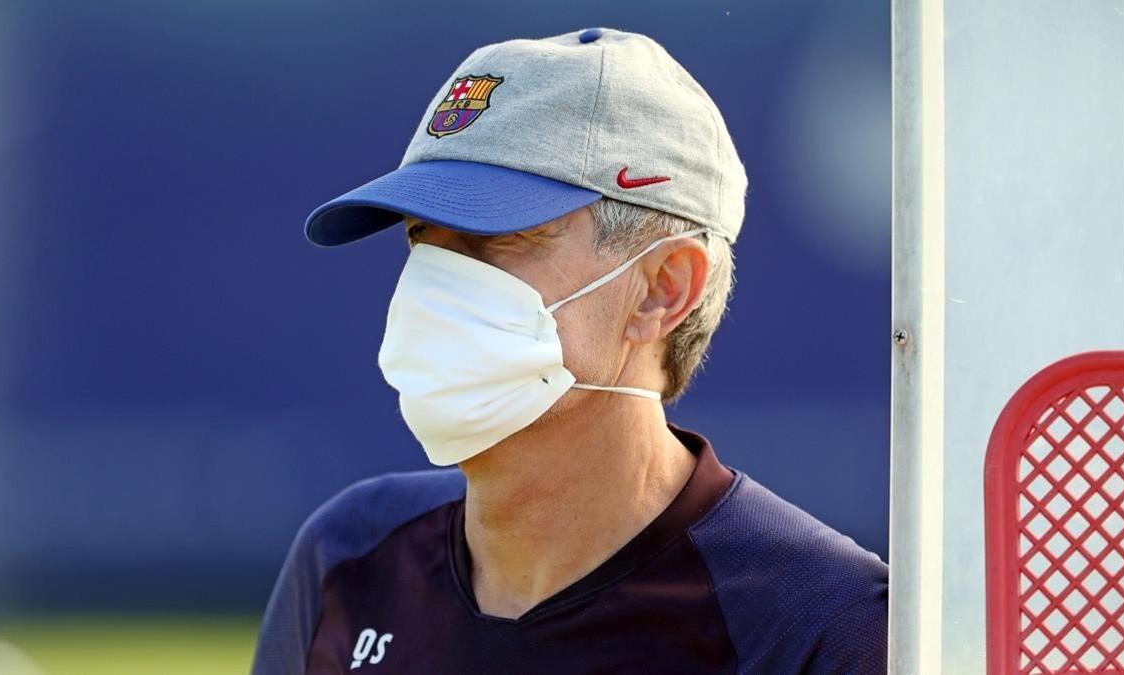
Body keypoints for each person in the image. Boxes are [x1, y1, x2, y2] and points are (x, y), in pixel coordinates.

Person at [252, 27, 887, 675]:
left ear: (662, 290)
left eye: (495, 235)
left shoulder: (822, 621)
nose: (435, 285)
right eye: (423, 236)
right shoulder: (349, 558)